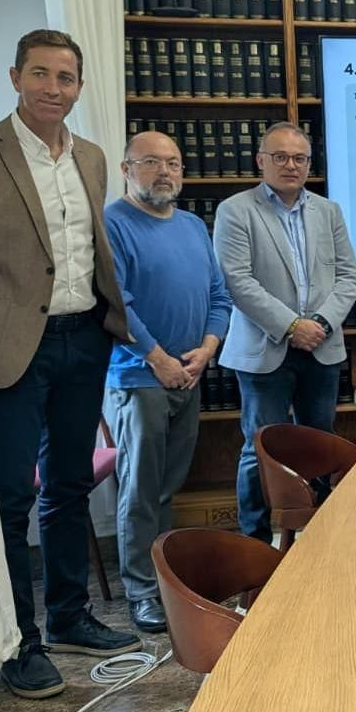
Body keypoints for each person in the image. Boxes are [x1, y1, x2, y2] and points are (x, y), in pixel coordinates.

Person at [0, 29, 140, 699]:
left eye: (65, 77)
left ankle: (68, 615)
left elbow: (90, 249)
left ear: (80, 86)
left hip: (84, 340)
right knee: (10, 498)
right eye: (40, 74)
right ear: (14, 76)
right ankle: (18, 643)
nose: (53, 88)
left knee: (68, 485)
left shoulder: (90, 156)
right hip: (10, 352)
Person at [103, 130, 231, 633]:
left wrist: (208, 348)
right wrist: (158, 359)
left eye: (174, 163)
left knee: (168, 485)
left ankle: (166, 579)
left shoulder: (193, 226)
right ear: (126, 168)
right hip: (141, 377)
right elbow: (119, 304)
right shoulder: (113, 224)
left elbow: (218, 295)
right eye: (151, 162)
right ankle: (142, 591)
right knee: (140, 487)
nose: (165, 172)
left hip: (189, 374)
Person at [214, 122, 356, 542]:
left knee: (319, 445)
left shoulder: (328, 211)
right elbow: (237, 281)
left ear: (309, 164)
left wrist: (320, 324)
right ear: (261, 161)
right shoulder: (236, 210)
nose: (290, 165)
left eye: (299, 158)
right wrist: (291, 326)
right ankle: (255, 543)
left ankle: (316, 536)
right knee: (260, 448)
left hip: (322, 346)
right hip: (265, 348)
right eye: (280, 157)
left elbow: (349, 276)